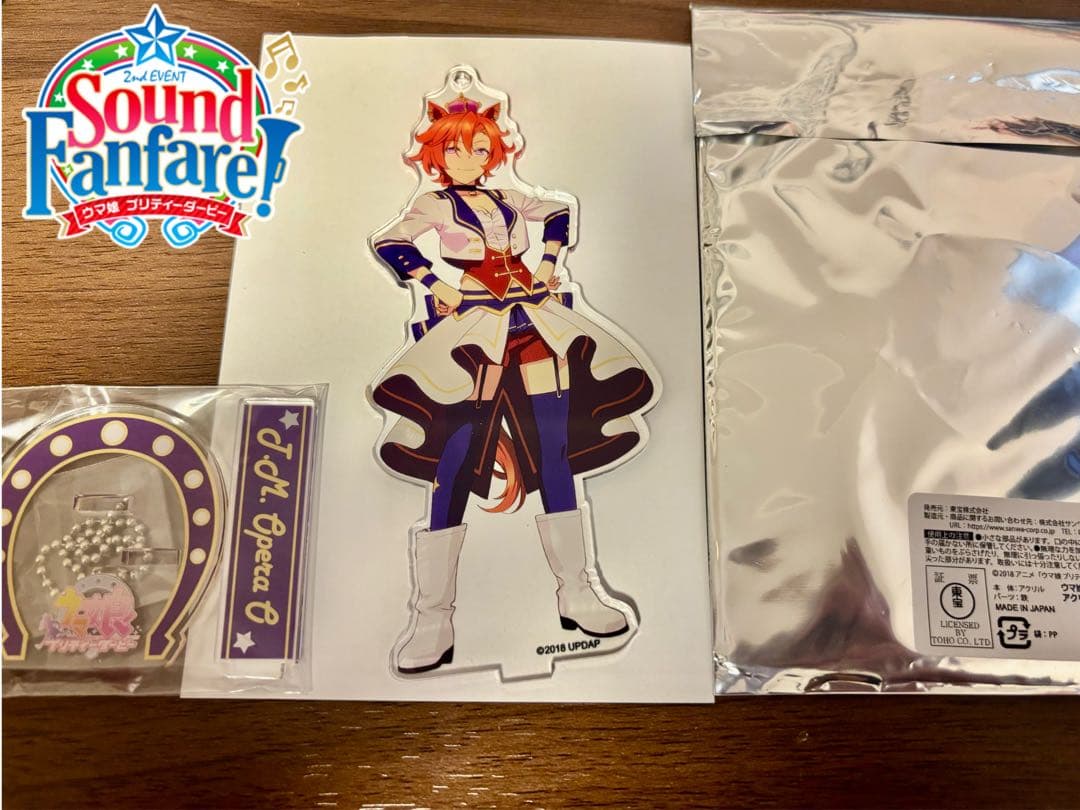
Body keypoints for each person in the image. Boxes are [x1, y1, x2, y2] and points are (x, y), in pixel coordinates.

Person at [371, 93, 656, 674]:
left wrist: (549, 262)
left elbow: (558, 211)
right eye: (457, 149)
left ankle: (578, 592)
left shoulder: (507, 198)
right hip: (473, 333)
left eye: (481, 149)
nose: (471, 159)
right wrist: (434, 282)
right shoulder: (433, 203)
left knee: (555, 449)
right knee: (454, 457)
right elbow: (391, 242)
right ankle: (432, 617)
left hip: (532, 326)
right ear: (437, 154)